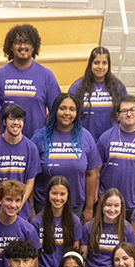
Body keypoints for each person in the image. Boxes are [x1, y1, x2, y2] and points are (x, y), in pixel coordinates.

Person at [33, 92, 100, 221]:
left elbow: (92, 173)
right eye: (62, 108)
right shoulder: (39, 137)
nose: (67, 113)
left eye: (72, 109)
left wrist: (89, 208)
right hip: (43, 205)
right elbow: (31, 176)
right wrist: (30, 208)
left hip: (75, 206)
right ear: (55, 110)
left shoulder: (85, 136)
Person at [0, 24, 60, 139]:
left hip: (36, 144)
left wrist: (45, 132)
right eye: (18, 42)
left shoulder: (46, 75)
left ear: (34, 47)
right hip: (5, 144)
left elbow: (56, 109)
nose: (22, 46)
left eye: (27, 42)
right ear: (11, 47)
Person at [97, 95, 135, 219]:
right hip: (106, 203)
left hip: (133, 205)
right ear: (118, 115)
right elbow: (96, 171)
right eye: (124, 111)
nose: (129, 114)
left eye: (132, 110)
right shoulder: (106, 137)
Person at [0, 104, 40, 219]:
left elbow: (30, 183)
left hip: (21, 212)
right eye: (11, 119)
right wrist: (2, 204)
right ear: (4, 122)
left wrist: (17, 205)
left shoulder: (31, 148)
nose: (16, 122)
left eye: (19, 119)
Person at [80, 188, 135, 267]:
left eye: (116, 206)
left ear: (121, 207)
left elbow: (134, 256)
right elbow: (82, 257)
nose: (112, 209)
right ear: (102, 206)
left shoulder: (127, 228)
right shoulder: (89, 227)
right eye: (108, 205)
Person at [30, 176, 82, 267]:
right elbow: (34, 254)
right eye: (54, 193)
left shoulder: (75, 221)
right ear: (48, 194)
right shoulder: (37, 221)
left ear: (68, 195)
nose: (58, 198)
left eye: (62, 194)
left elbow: (75, 252)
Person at [69, 46, 126, 142]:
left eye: (104, 63)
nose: (100, 67)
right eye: (96, 63)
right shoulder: (77, 87)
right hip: (84, 141)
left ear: (109, 65)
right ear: (90, 64)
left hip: (111, 142)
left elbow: (125, 114)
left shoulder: (118, 87)